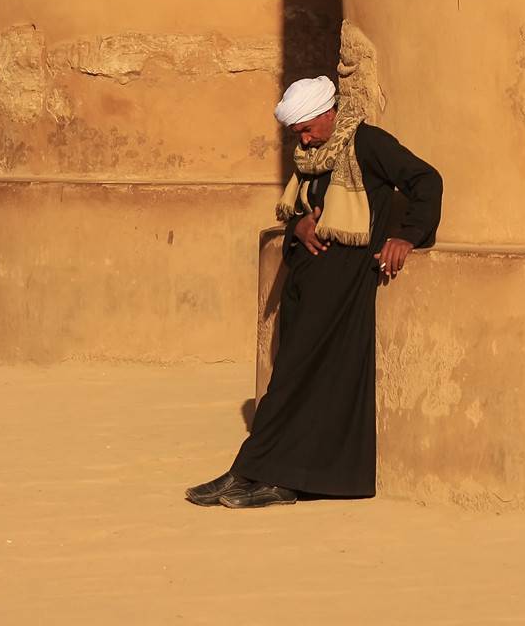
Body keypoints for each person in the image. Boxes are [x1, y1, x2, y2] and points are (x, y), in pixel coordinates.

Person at [185, 72, 443, 509]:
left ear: (328, 113)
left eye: (306, 129)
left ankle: (258, 473)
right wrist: (298, 226)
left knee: (305, 383)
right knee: (293, 377)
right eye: (297, 133)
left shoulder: (368, 144)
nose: (302, 142)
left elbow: (426, 179)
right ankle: (260, 476)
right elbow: (304, 213)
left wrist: (407, 235)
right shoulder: (313, 156)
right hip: (308, 283)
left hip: (344, 286)